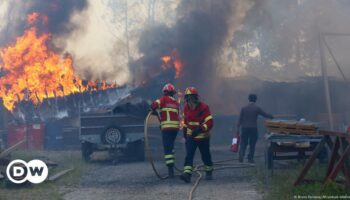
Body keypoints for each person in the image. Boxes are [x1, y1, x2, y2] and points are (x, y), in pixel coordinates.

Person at [180, 87, 214, 183]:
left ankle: (209, 171)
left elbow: (210, 122)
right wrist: (185, 135)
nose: (189, 100)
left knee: (205, 155)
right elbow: (186, 122)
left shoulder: (204, 107)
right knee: (189, 155)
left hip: (203, 137)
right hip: (191, 137)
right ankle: (187, 174)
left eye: (191, 97)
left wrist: (200, 129)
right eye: (188, 98)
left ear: (195, 97)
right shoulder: (186, 108)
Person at [150, 83, 180, 178]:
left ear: (165, 92)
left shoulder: (163, 99)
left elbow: (154, 105)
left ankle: (170, 171)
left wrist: (153, 109)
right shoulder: (176, 102)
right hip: (175, 128)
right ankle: (172, 166)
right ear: (173, 93)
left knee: (167, 149)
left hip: (167, 128)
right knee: (171, 146)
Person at [237, 94, 273, 163]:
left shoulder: (243, 108)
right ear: (255, 100)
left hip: (244, 128)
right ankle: (250, 158)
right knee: (252, 144)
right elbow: (264, 114)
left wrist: (237, 129)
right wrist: (271, 116)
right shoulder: (257, 108)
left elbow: (240, 119)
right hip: (253, 128)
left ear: (248, 99)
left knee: (243, 143)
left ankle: (241, 156)